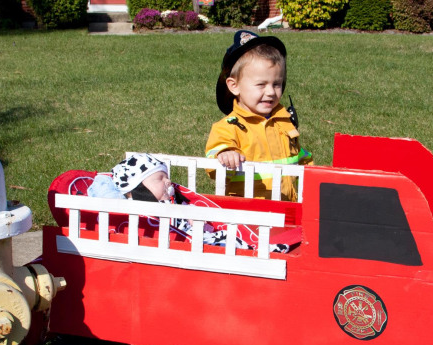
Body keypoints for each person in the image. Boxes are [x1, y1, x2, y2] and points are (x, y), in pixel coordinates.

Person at [88, 153, 290, 252]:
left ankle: (257, 243)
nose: (168, 182)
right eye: (159, 179)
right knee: (225, 243)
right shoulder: (136, 211)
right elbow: (104, 191)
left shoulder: (173, 203)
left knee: (227, 236)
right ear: (137, 189)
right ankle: (259, 247)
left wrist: (193, 217)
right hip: (184, 243)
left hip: (199, 235)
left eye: (166, 177)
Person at [205, 30, 312, 202]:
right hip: (246, 213)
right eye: (261, 85)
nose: (270, 92)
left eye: (277, 84)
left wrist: (314, 170)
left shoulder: (283, 121)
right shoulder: (228, 126)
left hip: (287, 208)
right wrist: (225, 153)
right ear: (234, 86)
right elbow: (214, 162)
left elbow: (298, 157)